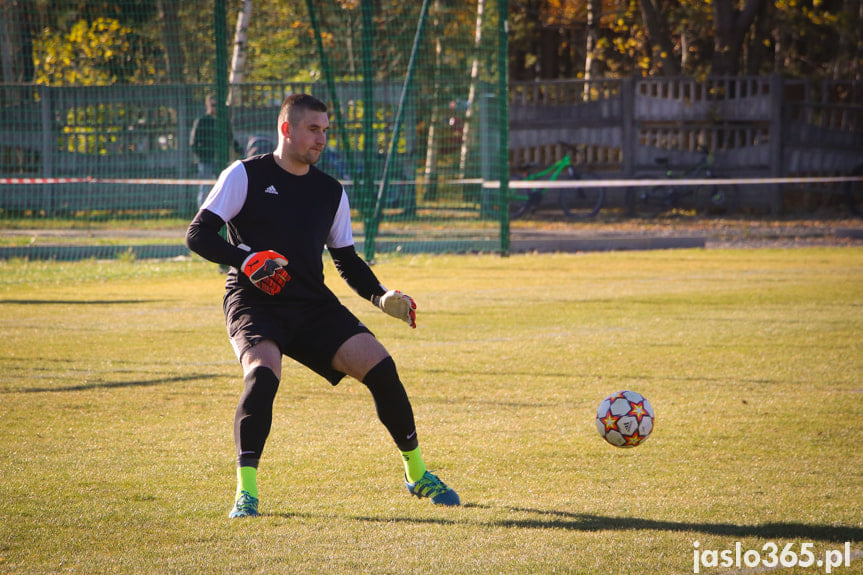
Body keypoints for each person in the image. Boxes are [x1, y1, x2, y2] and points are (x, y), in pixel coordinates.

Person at [185, 93, 460, 518]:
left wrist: (381, 296)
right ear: (286, 129)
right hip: (254, 302)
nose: (321, 139)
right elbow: (199, 234)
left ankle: (417, 473)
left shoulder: (330, 191)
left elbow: (346, 259)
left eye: (325, 131)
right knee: (262, 375)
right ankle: (247, 493)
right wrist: (246, 260)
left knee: (382, 368)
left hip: (312, 303)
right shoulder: (244, 175)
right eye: (313, 129)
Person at [190, 94, 242, 207]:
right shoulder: (202, 121)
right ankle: (202, 215)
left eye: (218, 105)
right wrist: (202, 156)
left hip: (222, 161)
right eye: (213, 105)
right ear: (208, 105)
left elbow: (230, 138)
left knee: (223, 188)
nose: (215, 107)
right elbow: (194, 143)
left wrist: (239, 150)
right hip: (206, 161)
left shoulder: (224, 121)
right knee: (205, 189)